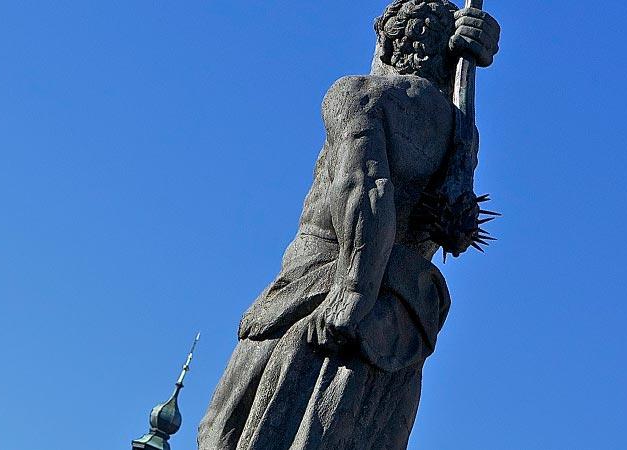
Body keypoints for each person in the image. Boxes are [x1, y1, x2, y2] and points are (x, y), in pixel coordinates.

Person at [198, 1, 499, 449]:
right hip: (401, 326)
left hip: (323, 298)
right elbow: (452, 222)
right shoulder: (459, 135)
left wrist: (354, 291)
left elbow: (365, 186)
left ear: (389, 41)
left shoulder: (356, 96)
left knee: (224, 430)